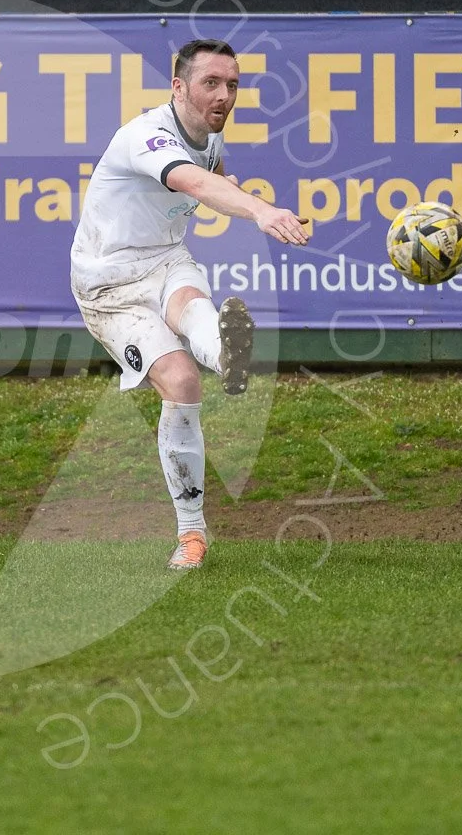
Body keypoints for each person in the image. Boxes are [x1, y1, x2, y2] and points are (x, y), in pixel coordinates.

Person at [70, 38, 310, 571]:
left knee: (191, 302)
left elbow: (211, 175)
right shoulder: (147, 136)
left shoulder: (208, 138)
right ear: (178, 87)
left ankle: (229, 354)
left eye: (232, 85)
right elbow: (192, 181)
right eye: (210, 83)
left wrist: (231, 188)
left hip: (164, 260)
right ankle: (192, 535)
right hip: (108, 286)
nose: (224, 95)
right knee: (180, 383)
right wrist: (261, 211)